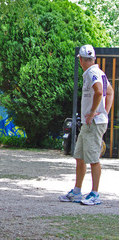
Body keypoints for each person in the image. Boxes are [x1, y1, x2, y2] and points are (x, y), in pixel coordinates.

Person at [59, 45, 114, 206]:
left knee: (93, 158)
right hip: (90, 123)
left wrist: (93, 112)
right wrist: (105, 112)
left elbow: (99, 92)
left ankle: (95, 194)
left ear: (81, 60)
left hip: (93, 123)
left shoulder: (92, 73)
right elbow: (109, 92)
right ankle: (77, 191)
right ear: (94, 58)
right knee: (80, 157)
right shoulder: (99, 72)